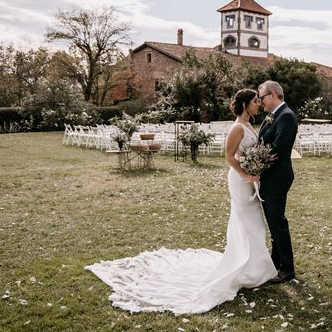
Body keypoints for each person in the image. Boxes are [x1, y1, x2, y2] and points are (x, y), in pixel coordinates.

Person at [84, 89, 277, 315]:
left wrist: (254, 168)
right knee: (245, 220)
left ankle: (255, 265)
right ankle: (245, 266)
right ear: (245, 105)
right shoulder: (236, 127)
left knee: (253, 220)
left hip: (249, 178)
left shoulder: (249, 125)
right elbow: (228, 156)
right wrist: (246, 174)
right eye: (255, 102)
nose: (257, 105)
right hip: (240, 180)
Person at [257, 80, 299, 284]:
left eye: (262, 97)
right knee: (273, 223)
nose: (260, 101)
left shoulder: (287, 117)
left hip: (277, 177)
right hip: (268, 176)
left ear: (272, 95)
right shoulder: (273, 116)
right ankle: (275, 263)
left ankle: (287, 268)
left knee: (277, 223)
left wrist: (255, 164)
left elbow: (277, 149)